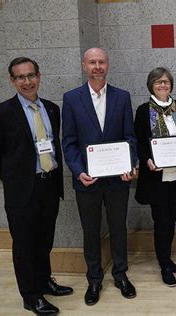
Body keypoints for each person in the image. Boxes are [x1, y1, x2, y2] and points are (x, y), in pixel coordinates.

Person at [0, 57, 73, 315]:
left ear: (39, 77)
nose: (27, 81)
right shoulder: (0, 112)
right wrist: (12, 175)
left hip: (49, 185)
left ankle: (44, 281)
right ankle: (31, 296)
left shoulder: (52, 109)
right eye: (20, 77)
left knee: (44, 240)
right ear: (12, 81)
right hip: (22, 191)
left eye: (31, 75)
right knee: (24, 244)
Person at [62, 48, 138, 305]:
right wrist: (78, 170)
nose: (97, 66)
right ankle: (94, 279)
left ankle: (120, 275)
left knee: (118, 228)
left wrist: (131, 164)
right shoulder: (71, 99)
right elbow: (69, 142)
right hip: (87, 179)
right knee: (91, 231)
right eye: (92, 62)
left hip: (118, 179)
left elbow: (130, 137)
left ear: (108, 65)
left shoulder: (122, 97)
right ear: (84, 66)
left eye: (101, 62)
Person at [134, 67, 176, 287]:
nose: (162, 86)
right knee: (161, 221)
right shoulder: (143, 110)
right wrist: (147, 159)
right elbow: (139, 142)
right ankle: (164, 264)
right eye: (158, 82)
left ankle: (167, 257)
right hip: (155, 176)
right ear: (151, 85)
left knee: (172, 218)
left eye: (166, 82)